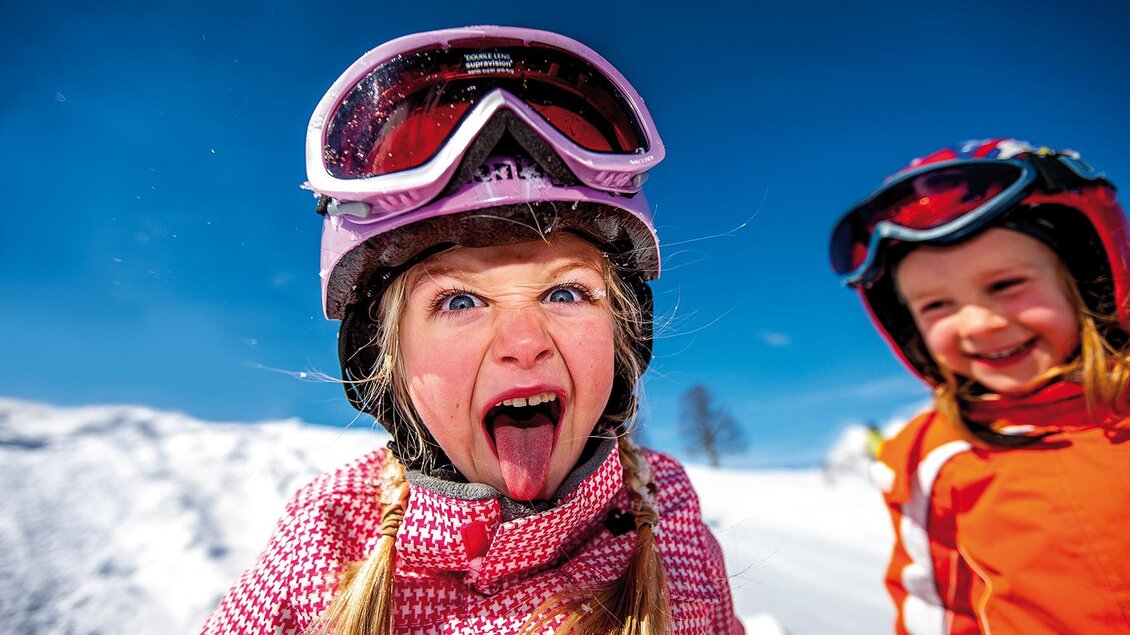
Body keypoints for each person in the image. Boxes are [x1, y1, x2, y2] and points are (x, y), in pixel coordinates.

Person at [202, 25, 744, 635]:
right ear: (383, 356)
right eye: (460, 301)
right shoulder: (321, 551)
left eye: (565, 293)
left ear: (624, 334)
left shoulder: (667, 517)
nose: (525, 344)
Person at [828, 138, 1130, 634]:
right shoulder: (931, 457)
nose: (978, 324)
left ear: (1085, 278)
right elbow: (938, 612)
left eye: (1006, 285)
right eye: (936, 306)